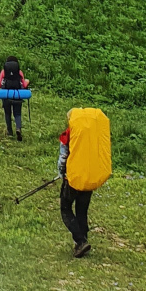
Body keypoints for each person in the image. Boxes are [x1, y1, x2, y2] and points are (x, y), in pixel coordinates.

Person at [58, 105, 112, 258]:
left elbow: (63, 157)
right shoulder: (93, 137)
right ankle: (83, 242)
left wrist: (61, 173)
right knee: (82, 211)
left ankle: (80, 241)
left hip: (73, 178)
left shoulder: (69, 134)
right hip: (89, 177)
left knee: (66, 208)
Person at [0, 56, 30, 141]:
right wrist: (27, 81)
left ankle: (9, 132)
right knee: (17, 113)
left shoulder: (3, 72)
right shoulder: (19, 72)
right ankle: (18, 128)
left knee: (7, 113)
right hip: (17, 95)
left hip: (6, 95)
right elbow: (23, 85)